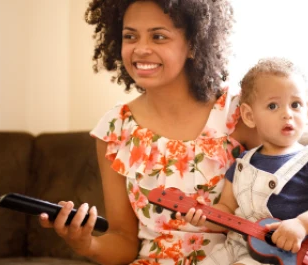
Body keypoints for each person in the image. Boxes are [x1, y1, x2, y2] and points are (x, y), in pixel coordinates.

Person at [37, 1, 259, 265]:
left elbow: (286, 197)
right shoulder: (115, 128)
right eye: (130, 36)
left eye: (158, 36)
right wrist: (87, 244)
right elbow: (124, 241)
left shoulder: (241, 113)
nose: (140, 49)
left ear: (193, 44)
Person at [178, 57, 308, 265]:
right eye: (273, 106)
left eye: (295, 105)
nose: (287, 114)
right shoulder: (242, 164)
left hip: (292, 254)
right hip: (239, 248)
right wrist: (204, 217)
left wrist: (302, 224)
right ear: (249, 116)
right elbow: (227, 211)